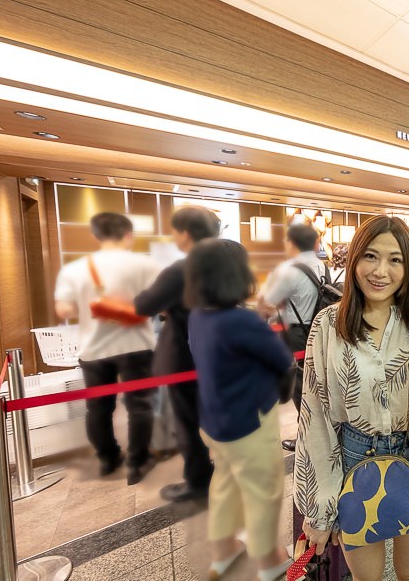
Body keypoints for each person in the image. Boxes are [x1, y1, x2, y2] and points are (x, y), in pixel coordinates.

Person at [295, 216, 409, 581]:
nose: (381, 271)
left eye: (395, 260)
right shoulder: (328, 325)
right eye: (370, 256)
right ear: (353, 261)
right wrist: (320, 508)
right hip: (354, 457)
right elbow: (315, 416)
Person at [185, 239, 293, 581]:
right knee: (264, 490)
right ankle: (271, 561)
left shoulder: (198, 315)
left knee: (226, 483)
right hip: (249, 421)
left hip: (214, 419)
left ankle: (224, 549)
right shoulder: (242, 321)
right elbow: (282, 360)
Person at [54, 213, 161, 484]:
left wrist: (93, 306)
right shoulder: (145, 265)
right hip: (136, 345)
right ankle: (137, 462)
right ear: (128, 235)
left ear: (95, 236)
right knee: (140, 406)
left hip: (93, 349)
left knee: (98, 408)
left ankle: (108, 458)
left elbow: (63, 309)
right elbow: (159, 302)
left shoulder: (75, 269)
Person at [133, 206, 220, 502]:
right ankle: (219, 472)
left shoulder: (181, 269)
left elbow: (143, 305)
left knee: (186, 420)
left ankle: (198, 480)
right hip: (215, 353)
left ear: (185, 234)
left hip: (185, 355)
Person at [256, 223, 324, 451]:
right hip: (319, 328)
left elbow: (265, 305)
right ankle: (318, 434)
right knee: (317, 383)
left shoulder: (287, 270)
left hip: (296, 334)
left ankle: (305, 438)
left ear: (291, 243)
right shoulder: (322, 265)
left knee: (300, 386)